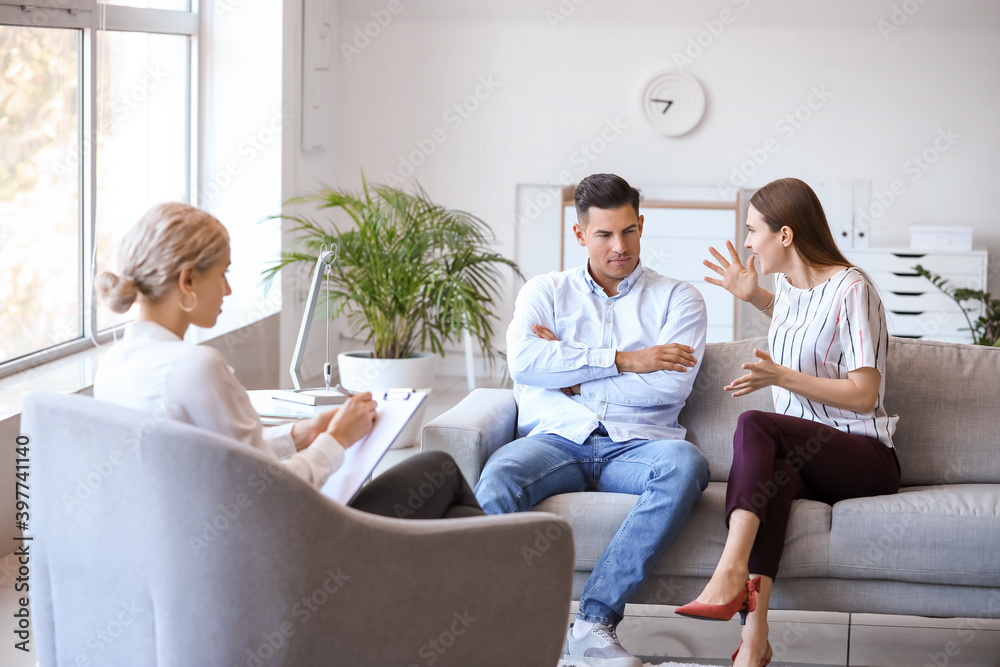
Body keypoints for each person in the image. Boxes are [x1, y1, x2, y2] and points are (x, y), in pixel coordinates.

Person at [94, 202, 482, 520]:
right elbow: (265, 493)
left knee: (452, 519)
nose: (228, 290)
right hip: (281, 549)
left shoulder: (112, 368)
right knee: (438, 469)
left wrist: (303, 433)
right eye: (223, 273)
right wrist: (337, 439)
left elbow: (235, 460)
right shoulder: (195, 368)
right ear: (188, 281)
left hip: (202, 550)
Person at [475, 173, 711, 667]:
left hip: (638, 445)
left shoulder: (679, 299)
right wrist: (626, 360)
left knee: (685, 464)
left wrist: (569, 372)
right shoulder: (545, 291)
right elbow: (524, 365)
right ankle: (509, 630)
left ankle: (592, 624)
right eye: (604, 234)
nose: (619, 247)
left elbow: (668, 386)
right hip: (557, 439)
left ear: (642, 225)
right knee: (498, 477)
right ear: (580, 234)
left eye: (628, 231)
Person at [676, 178, 901, 667]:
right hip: (808, 454)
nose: (749, 242)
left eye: (754, 230)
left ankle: (730, 572)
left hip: (862, 455)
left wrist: (783, 377)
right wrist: (754, 296)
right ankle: (754, 641)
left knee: (757, 423)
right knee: (773, 480)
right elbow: (804, 321)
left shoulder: (853, 288)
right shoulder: (787, 286)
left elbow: (864, 395)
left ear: (786, 235)